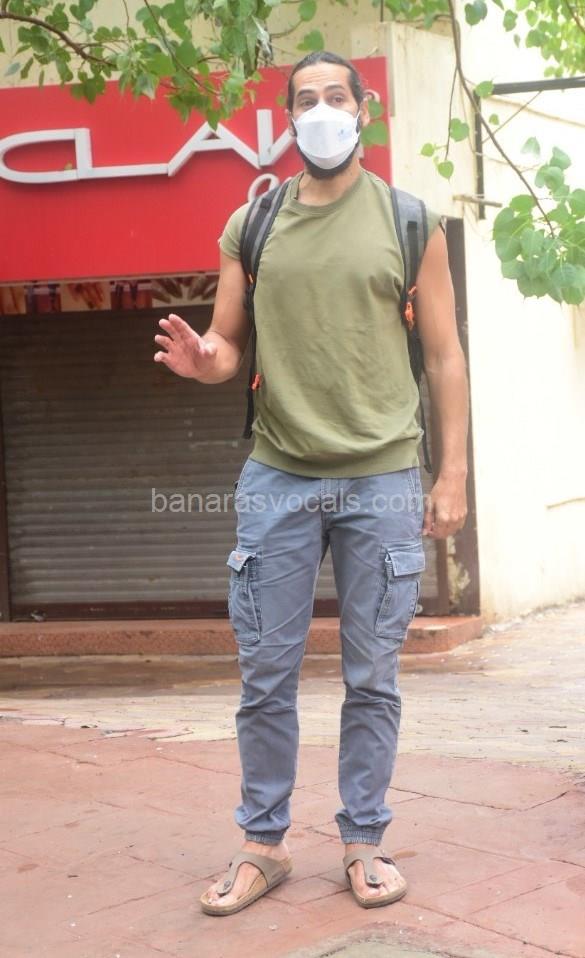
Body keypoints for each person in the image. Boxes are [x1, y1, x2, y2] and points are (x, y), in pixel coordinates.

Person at [153, 50, 469, 916]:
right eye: (305, 99)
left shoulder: (409, 220)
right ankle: (263, 844)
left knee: (372, 676)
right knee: (265, 672)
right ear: (287, 118)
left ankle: (364, 841)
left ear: (363, 111)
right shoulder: (252, 224)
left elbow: (444, 355)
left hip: (382, 477)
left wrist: (451, 473)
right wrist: (204, 360)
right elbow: (227, 345)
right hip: (279, 476)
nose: (321, 110)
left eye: (336, 96)